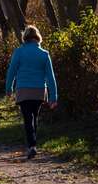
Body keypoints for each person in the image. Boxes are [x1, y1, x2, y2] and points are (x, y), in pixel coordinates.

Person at [4, 25, 58, 160]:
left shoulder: (19, 52)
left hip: (23, 89)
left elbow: (12, 71)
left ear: (25, 38)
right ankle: (33, 144)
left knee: (28, 118)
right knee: (35, 116)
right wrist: (53, 97)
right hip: (39, 90)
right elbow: (51, 77)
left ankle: (32, 145)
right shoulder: (44, 54)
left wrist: (8, 88)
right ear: (38, 38)